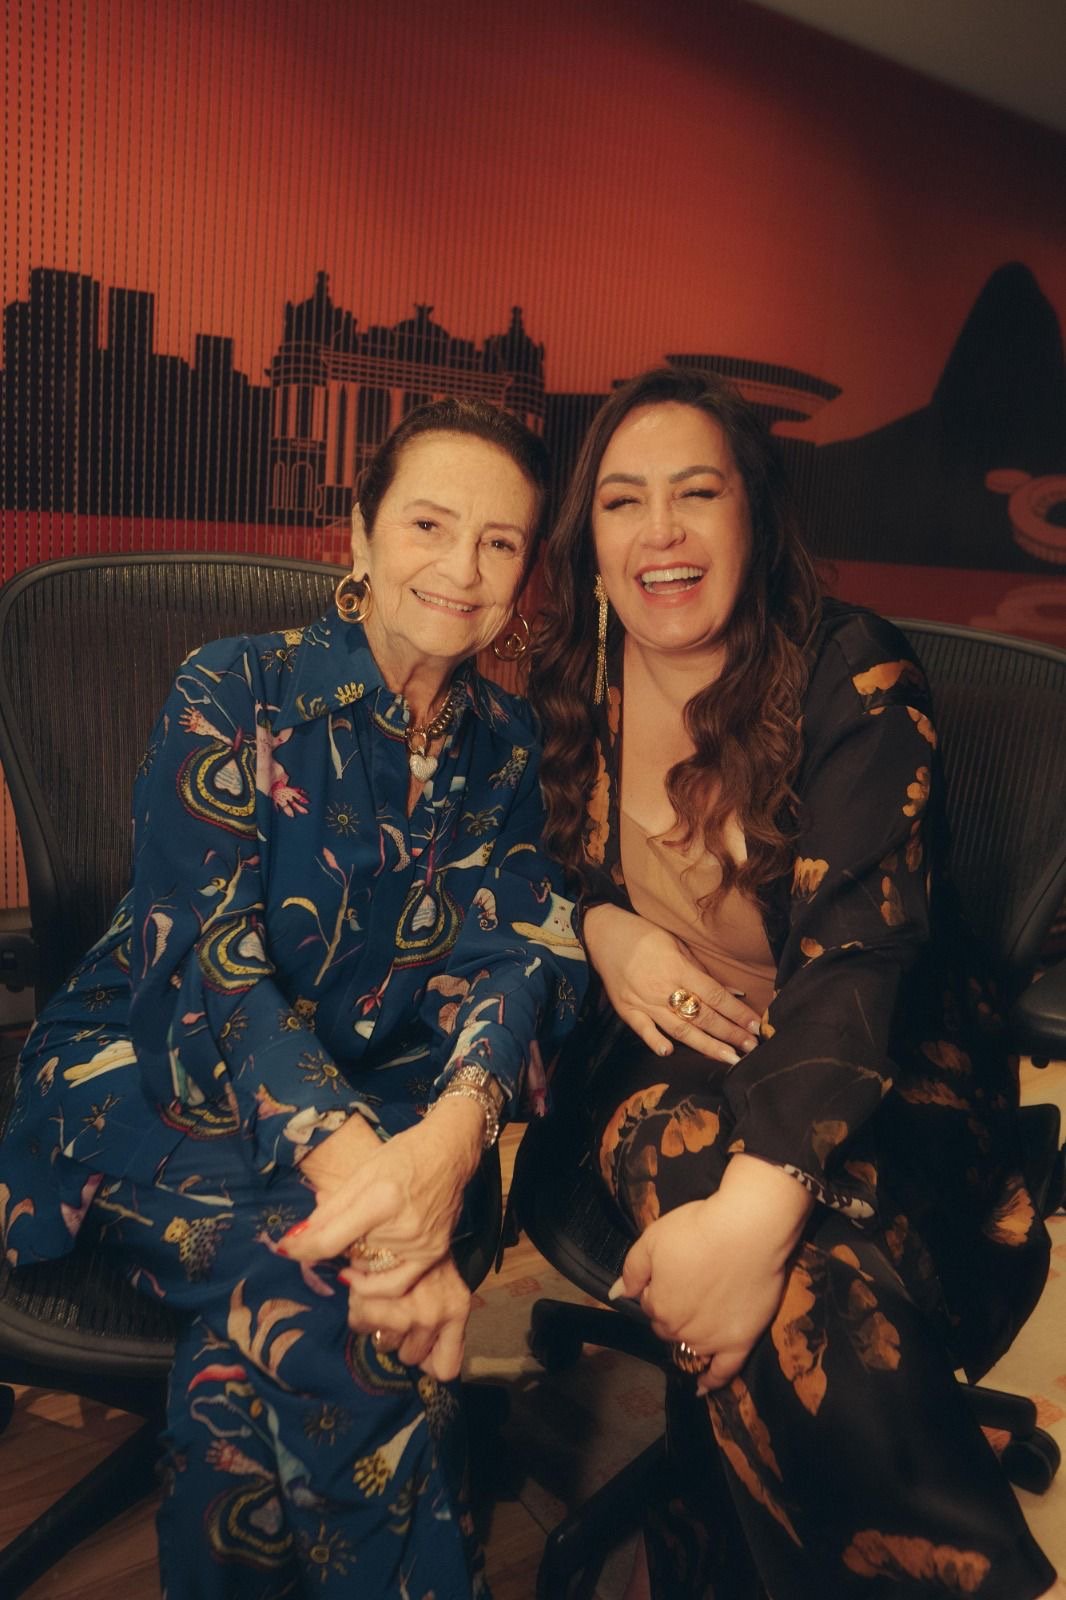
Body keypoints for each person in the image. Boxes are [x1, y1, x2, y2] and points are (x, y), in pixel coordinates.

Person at [0, 397, 585, 1600]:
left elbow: (517, 952)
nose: (461, 568)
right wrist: (381, 1201)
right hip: (146, 1070)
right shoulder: (233, 686)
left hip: (382, 1099)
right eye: (428, 524)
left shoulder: (509, 741)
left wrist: (449, 1142)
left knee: (272, 1330)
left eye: (500, 542)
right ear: (357, 535)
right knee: (340, 1290)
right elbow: (211, 962)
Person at [529, 367, 1062, 1599]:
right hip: (675, 1051)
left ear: (754, 515)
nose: (659, 531)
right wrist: (603, 924)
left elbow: (859, 961)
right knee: (692, 1172)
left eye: (695, 492)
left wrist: (754, 1218)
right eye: (622, 501)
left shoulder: (853, 674)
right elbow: (537, 868)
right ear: (588, 539)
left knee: (782, 1278)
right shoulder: (576, 678)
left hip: (882, 1064)